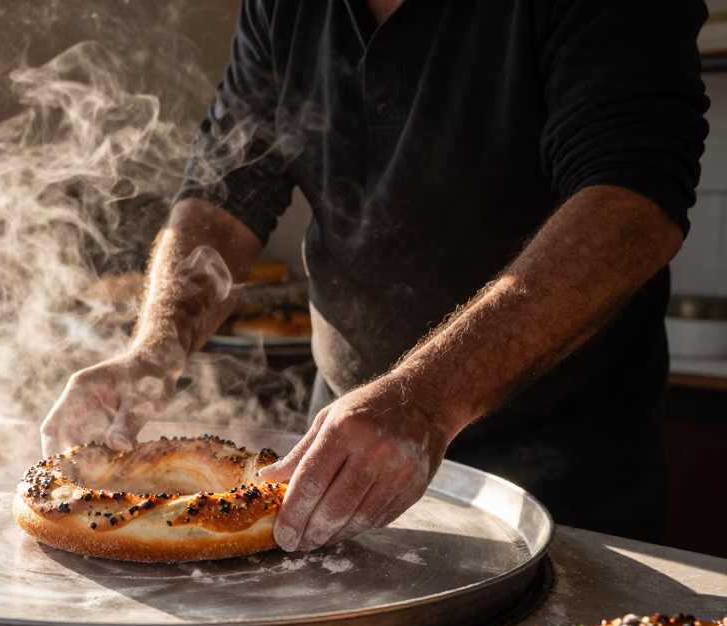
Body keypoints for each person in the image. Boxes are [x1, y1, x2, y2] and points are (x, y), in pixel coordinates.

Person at [42, 0, 710, 551]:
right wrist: (155, 348)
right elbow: (227, 197)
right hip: (333, 449)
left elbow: (632, 206)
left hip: (564, 463)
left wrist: (424, 401)